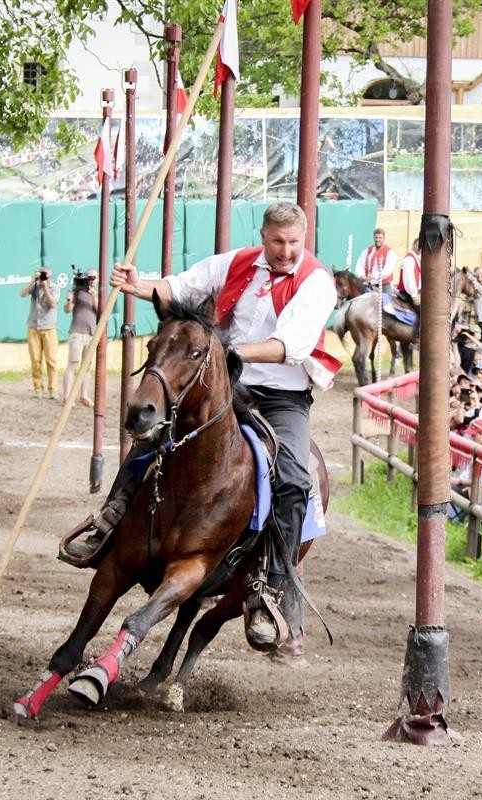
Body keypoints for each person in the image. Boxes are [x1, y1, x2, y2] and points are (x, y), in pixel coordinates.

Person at [66, 202, 336, 650]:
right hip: (224, 383)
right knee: (154, 433)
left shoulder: (316, 281)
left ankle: (269, 589)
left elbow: (290, 344)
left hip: (282, 397)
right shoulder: (238, 262)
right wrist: (137, 286)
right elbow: (180, 287)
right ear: (264, 237)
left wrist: (227, 351)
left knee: (293, 479)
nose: (285, 251)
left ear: (303, 240)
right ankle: (109, 522)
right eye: (277, 241)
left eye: (293, 243)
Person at [21, 266, 59, 399]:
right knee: (35, 360)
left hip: (49, 328)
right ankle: (38, 389)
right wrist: (33, 280)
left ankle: (53, 389)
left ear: (50, 276)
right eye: (42, 275)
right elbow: (22, 294)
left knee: (51, 360)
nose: (44, 278)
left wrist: (46, 288)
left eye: (46, 276)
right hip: (33, 327)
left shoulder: (54, 288)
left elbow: (53, 304)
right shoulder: (35, 286)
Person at [63, 271, 98, 408]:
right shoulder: (77, 292)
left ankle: (84, 395)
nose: (91, 280)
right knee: (72, 364)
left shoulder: (98, 294)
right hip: (77, 332)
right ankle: (67, 397)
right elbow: (67, 310)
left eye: (93, 277)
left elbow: (102, 311)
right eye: (89, 277)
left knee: (87, 367)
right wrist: (69, 300)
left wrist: (94, 296)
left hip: (91, 334)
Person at [356, 227, 396, 296]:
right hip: (368, 284)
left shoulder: (390, 253)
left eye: (380, 237)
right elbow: (359, 264)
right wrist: (361, 275)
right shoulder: (367, 251)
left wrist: (374, 276)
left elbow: (387, 270)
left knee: (387, 301)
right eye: (376, 237)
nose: (378, 239)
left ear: (384, 238)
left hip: (383, 285)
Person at [397, 238, 421, 308]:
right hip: (409, 293)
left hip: (416, 292)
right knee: (426, 312)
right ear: (413, 245)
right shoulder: (409, 260)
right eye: (418, 245)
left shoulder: (416, 259)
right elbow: (409, 279)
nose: (420, 248)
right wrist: (414, 295)